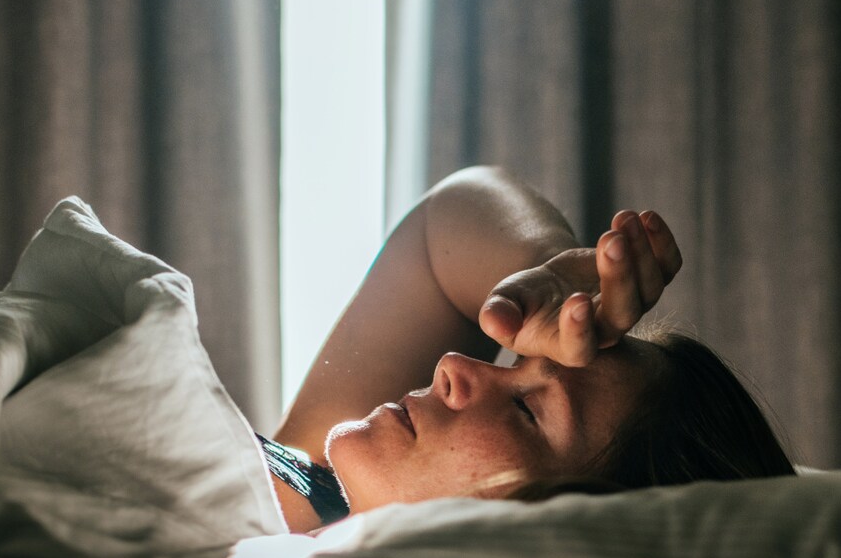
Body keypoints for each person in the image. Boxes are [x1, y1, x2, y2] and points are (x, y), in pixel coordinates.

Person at [262, 166, 794, 533]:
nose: (452, 366)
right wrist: (543, 277)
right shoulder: (313, 489)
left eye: (526, 411)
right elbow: (451, 210)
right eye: (513, 363)